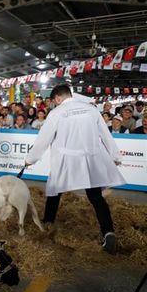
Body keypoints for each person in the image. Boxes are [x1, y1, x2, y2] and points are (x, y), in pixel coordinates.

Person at [25, 84, 124, 255]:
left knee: (55, 192)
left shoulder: (56, 113)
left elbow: (43, 139)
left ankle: (47, 225)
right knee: (95, 196)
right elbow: (105, 134)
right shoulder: (91, 110)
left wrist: (29, 159)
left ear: (57, 98)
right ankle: (108, 232)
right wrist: (116, 156)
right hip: (91, 158)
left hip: (66, 159)